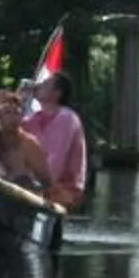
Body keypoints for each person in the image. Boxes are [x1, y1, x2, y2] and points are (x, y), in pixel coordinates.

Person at [28, 72, 89, 211]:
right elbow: (11, 136)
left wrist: (34, 186)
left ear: (57, 94)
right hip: (36, 186)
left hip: (62, 190)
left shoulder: (66, 118)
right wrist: (18, 100)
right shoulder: (34, 119)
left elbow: (56, 161)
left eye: (45, 84)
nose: (38, 86)